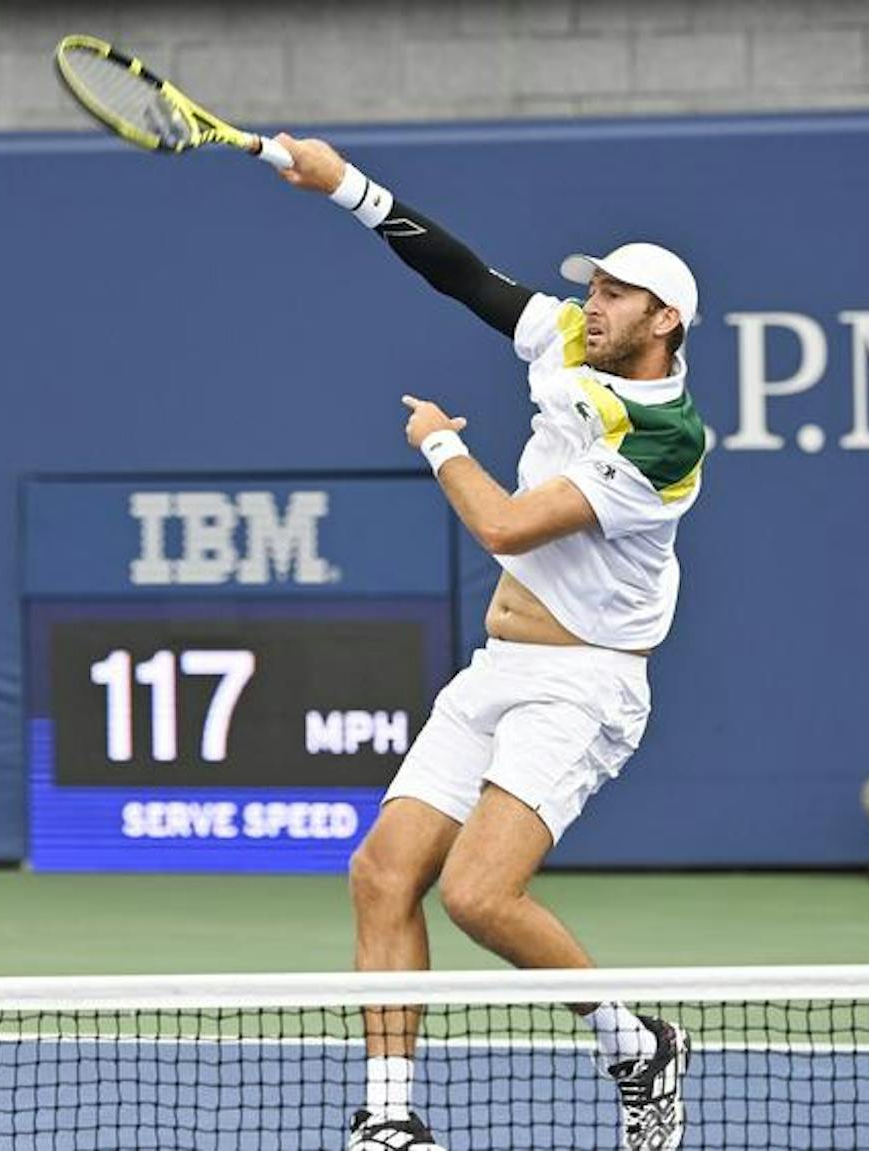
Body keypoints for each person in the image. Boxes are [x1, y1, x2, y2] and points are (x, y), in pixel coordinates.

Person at [269, 133, 702, 1151]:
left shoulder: (664, 438)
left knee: (475, 891)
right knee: (381, 870)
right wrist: (343, 187)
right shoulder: (565, 337)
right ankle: (387, 1113)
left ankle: (635, 1043)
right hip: (497, 667)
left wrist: (440, 441)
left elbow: (505, 524)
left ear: (663, 320)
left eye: (614, 295)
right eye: (589, 289)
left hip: (583, 684)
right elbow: (461, 271)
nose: (590, 305)